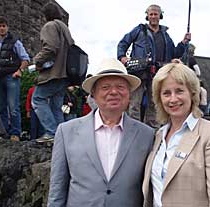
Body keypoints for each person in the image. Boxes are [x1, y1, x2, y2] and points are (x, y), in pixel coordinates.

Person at [47, 58, 154, 207]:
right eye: (105, 87)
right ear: (93, 94)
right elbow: (57, 189)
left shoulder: (147, 135)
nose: (114, 92)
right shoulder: (66, 132)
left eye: (120, 86)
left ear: (129, 93)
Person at [143, 63, 210, 207]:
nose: (173, 99)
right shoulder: (158, 136)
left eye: (179, 91)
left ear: (192, 93)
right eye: (166, 93)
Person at [117, 4, 191, 128]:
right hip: (139, 72)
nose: (153, 16)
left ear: (160, 16)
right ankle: (132, 129)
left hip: (157, 74)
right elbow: (123, 43)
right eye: (150, 14)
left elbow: (174, 53)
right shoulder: (139, 30)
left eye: (155, 14)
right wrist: (122, 57)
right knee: (134, 103)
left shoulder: (165, 36)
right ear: (147, 16)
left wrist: (184, 43)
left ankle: (152, 132)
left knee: (155, 104)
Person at [32, 2, 74, 142]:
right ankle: (61, 138)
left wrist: (37, 60)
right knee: (56, 106)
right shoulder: (64, 28)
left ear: (46, 15)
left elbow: (50, 48)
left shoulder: (50, 26)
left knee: (37, 99)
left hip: (53, 73)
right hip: (65, 74)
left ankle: (51, 133)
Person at [0, 16, 30, 141]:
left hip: (11, 76)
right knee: (1, 106)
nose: (1, 28)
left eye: (3, 26)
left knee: (13, 106)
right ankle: (4, 132)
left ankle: (15, 133)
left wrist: (19, 71)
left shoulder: (15, 41)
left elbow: (25, 59)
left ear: (7, 27)